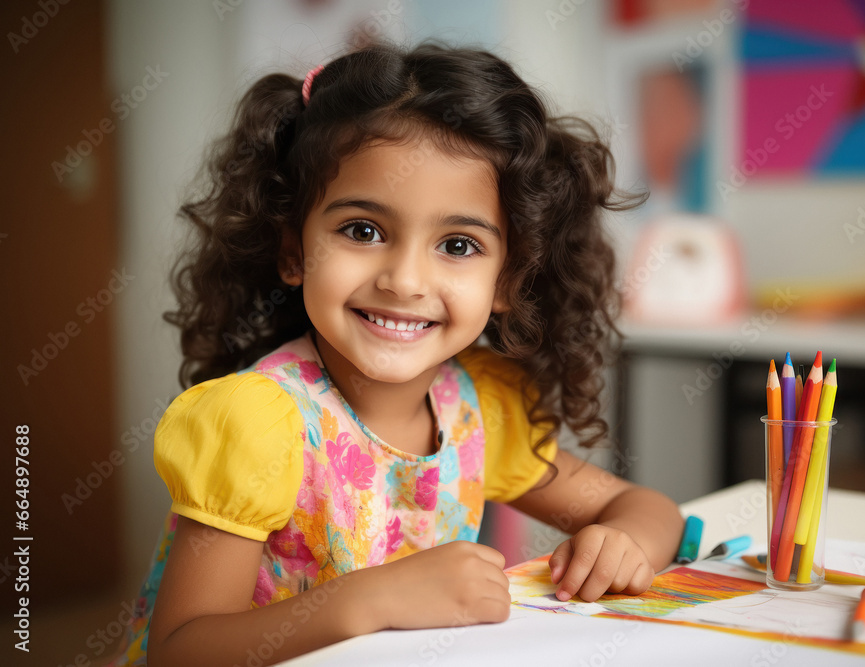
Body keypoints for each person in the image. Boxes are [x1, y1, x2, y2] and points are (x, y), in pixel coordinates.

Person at [109, 41, 683, 667]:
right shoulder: (257, 423)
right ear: (295, 252)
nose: (405, 280)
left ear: (508, 281)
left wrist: (623, 541)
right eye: (363, 231)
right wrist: (371, 599)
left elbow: (643, 508)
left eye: (458, 245)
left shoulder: (479, 409)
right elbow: (179, 650)